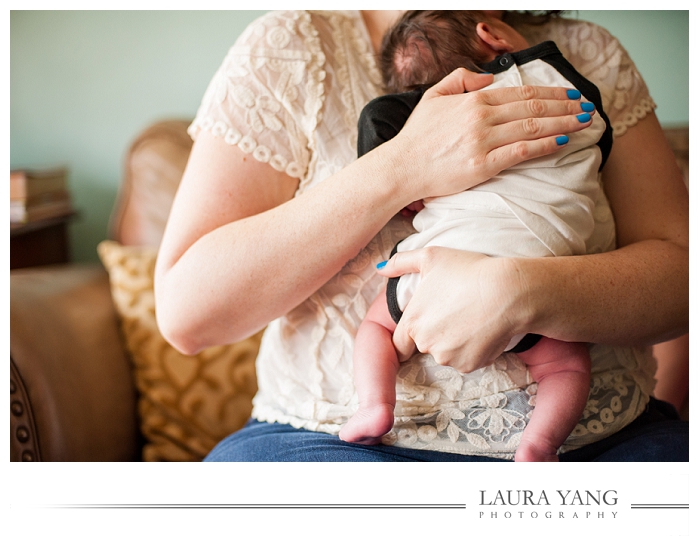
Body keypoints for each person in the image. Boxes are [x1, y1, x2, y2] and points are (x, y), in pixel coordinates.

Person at [154, 10, 688, 462]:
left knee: (379, 328)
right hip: (330, 448)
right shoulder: (291, 49)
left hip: (606, 441)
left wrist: (527, 290)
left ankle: (376, 402)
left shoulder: (588, 50)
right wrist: (402, 166)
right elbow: (187, 316)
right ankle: (531, 440)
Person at [339, 11, 608, 462]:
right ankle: (540, 444)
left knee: (375, 327)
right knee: (566, 365)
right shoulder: (564, 84)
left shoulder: (435, 114)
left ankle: (375, 406)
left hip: (435, 268)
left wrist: (404, 185)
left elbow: (377, 116)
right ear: (492, 34)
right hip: (540, 274)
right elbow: (602, 139)